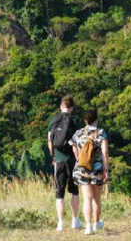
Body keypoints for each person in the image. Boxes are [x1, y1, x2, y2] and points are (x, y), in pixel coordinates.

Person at [69, 108, 109, 235]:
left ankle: (88, 226)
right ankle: (97, 224)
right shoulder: (101, 133)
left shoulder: (78, 133)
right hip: (97, 170)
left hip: (82, 170)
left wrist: (80, 160)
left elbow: (74, 149)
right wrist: (106, 169)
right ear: (96, 120)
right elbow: (105, 152)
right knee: (96, 199)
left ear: (85, 120)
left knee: (87, 198)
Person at [47, 95, 82, 231]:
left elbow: (50, 141)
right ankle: (75, 220)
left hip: (59, 160)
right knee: (74, 191)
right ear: (72, 108)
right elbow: (78, 142)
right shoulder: (74, 121)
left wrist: (53, 156)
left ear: (61, 106)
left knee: (59, 192)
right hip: (72, 159)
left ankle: (60, 223)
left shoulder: (54, 120)